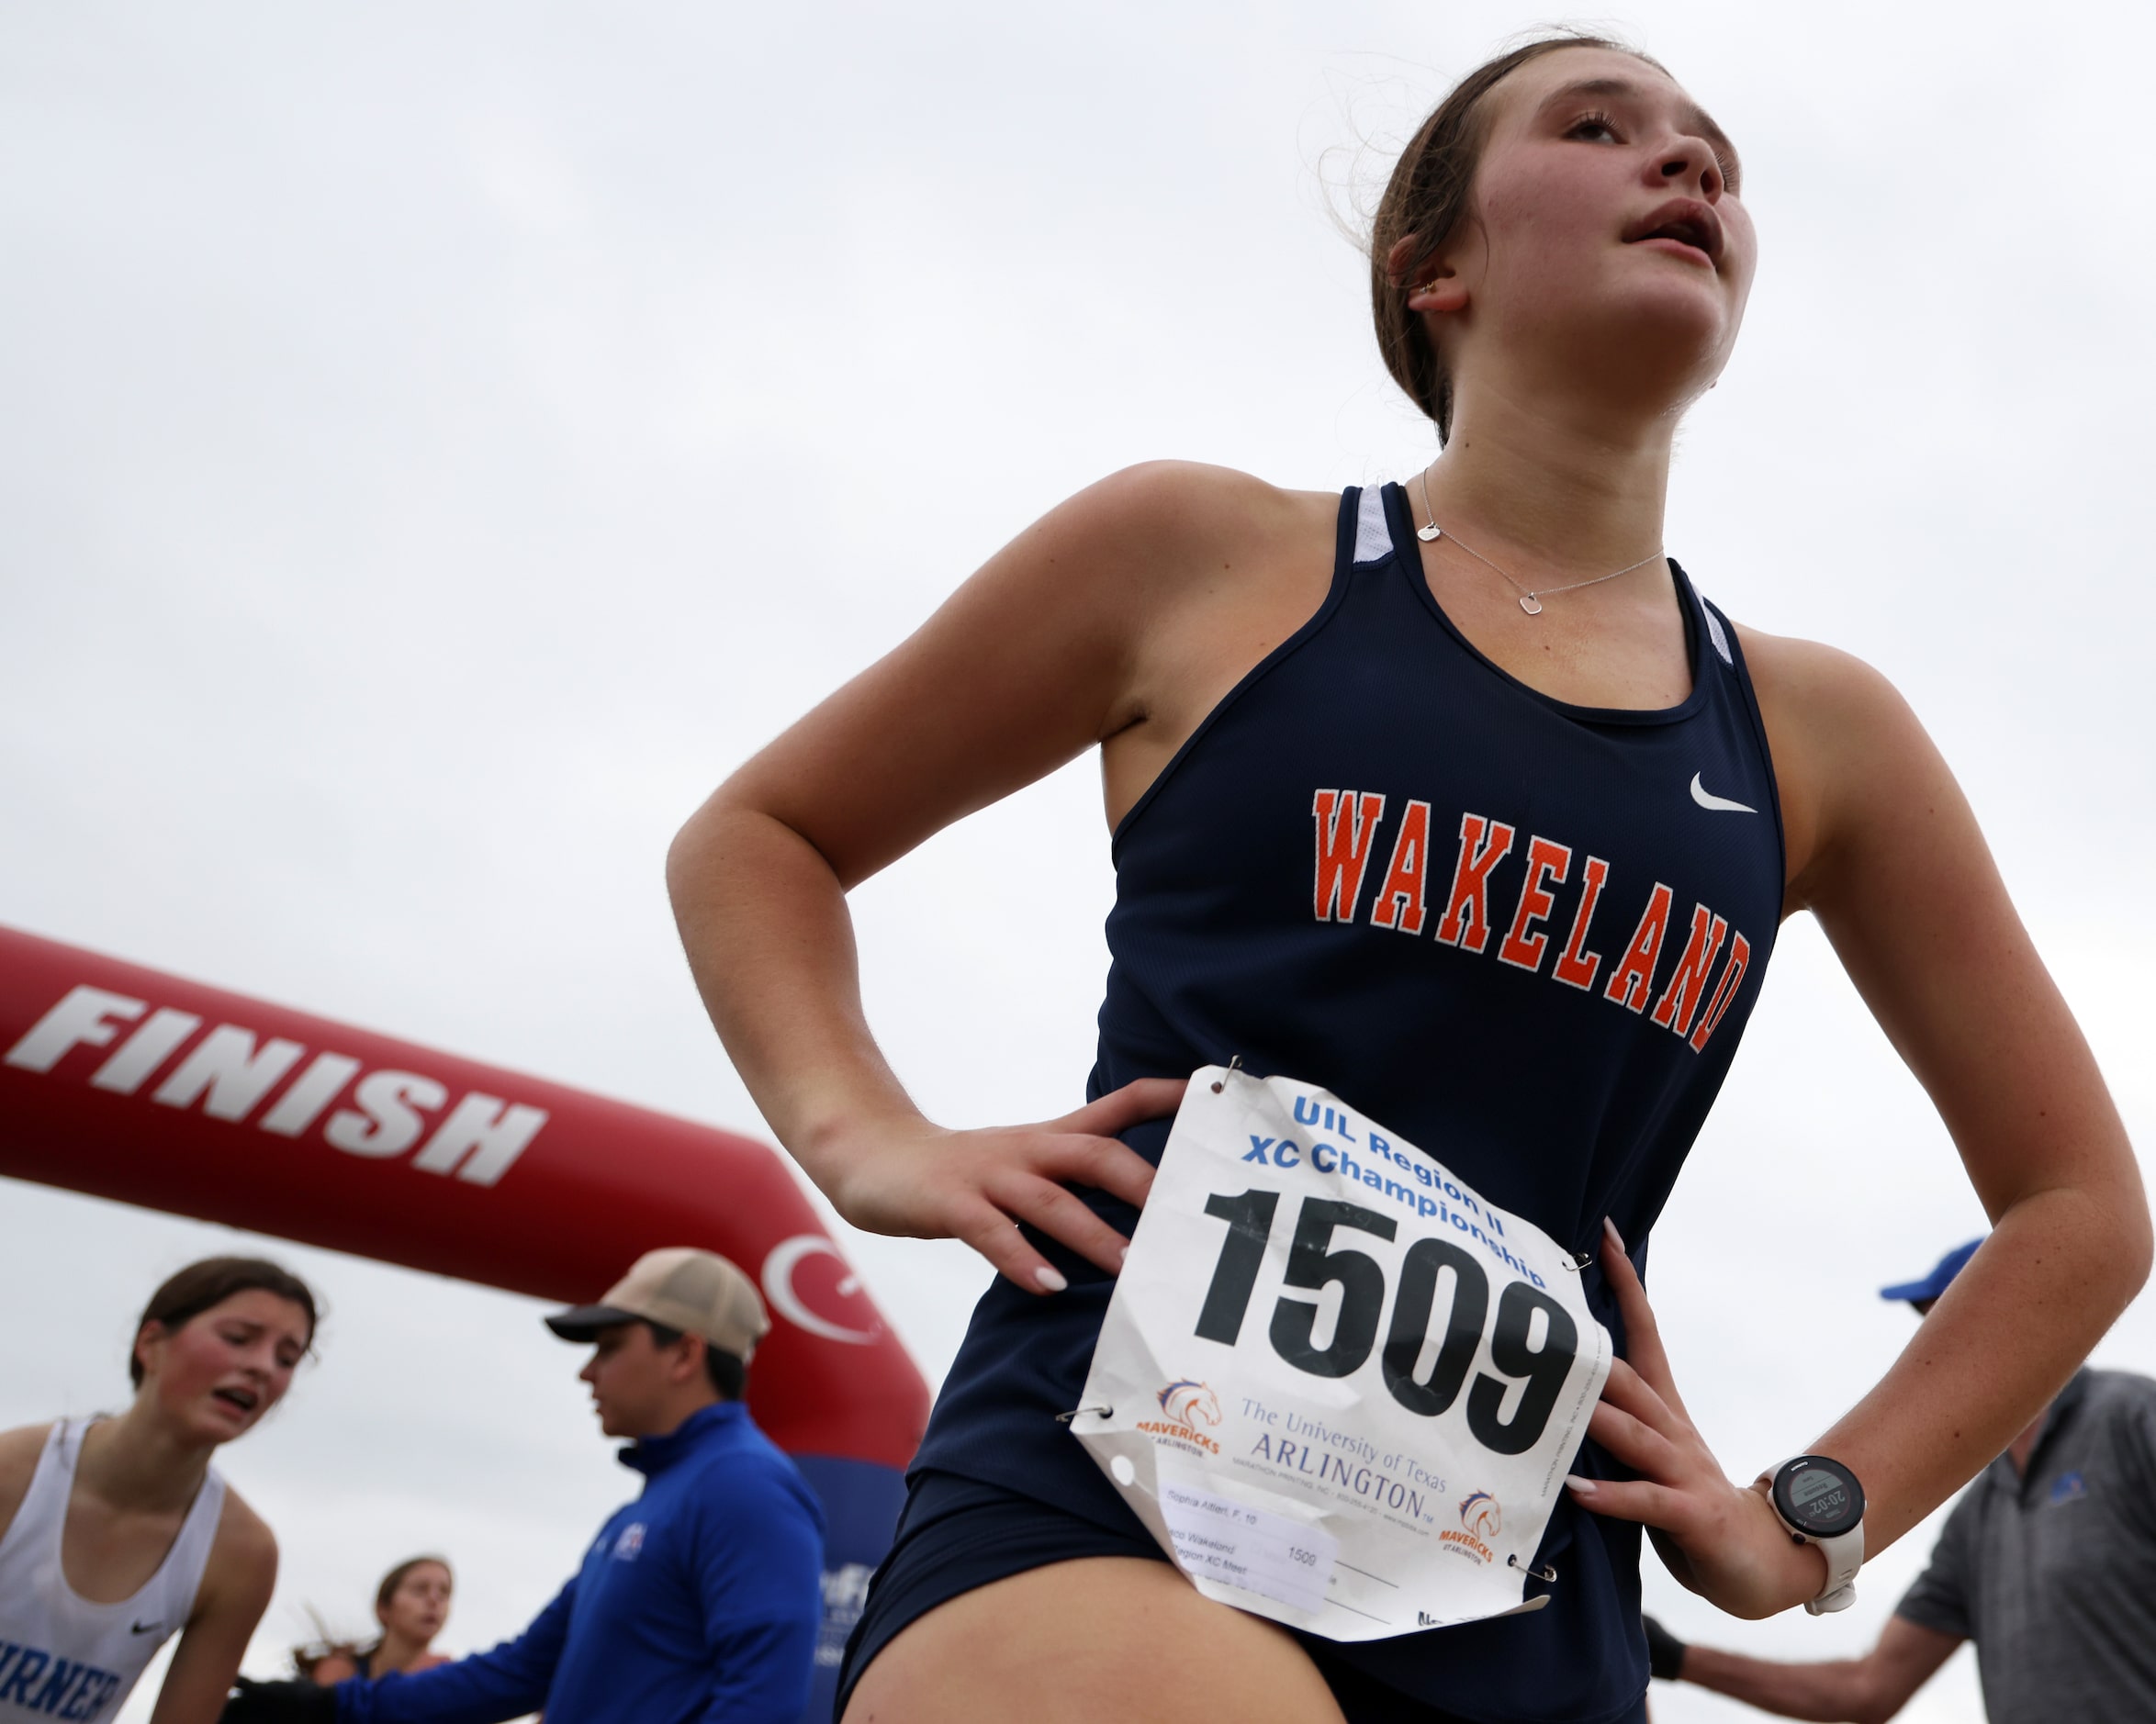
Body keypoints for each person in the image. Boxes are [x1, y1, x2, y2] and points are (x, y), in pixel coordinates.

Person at [660, 26, 2151, 1724]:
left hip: (1524, 1578)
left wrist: (1808, 1517)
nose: (1689, 167)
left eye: (1714, 155)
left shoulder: (1820, 733)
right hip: (1114, 1493)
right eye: (1600, 127)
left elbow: (2079, 1205)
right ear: (1430, 266)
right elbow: (762, 837)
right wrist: (866, 1132)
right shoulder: (1203, 558)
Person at [221, 1248, 825, 1724]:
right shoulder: (654, 1505)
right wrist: (333, 1708)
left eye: (610, 1347)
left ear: (685, 1354)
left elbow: (762, 1705)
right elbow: (521, 1669)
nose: (587, 1371)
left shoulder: (746, 1488)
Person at [1644, 1241, 2156, 1722]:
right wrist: (1676, 1657)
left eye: (1945, 1323)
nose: (1930, 1350)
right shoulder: (1978, 1517)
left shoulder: (2134, 1419)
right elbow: (1868, 1688)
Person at [0, 1256, 318, 1724]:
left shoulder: (243, 1553)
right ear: (150, 1343)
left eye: (286, 1358)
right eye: (238, 1339)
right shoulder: (13, 1473)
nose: (263, 1367)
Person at [298, 1558, 454, 1685]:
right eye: (419, 1590)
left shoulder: (446, 1675)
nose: (434, 1600)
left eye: (444, 1593)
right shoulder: (341, 1673)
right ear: (383, 1609)